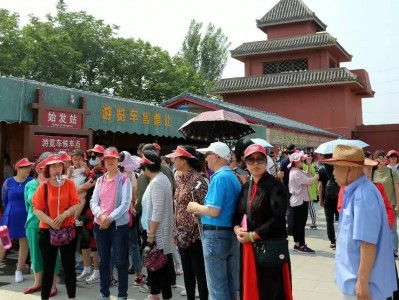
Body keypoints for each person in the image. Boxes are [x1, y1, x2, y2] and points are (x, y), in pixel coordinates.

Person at [321, 145, 397, 299]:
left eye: (336, 167)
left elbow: (368, 243)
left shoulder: (363, 195)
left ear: (349, 168)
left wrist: (362, 282)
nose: (333, 173)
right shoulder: (356, 191)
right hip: (354, 282)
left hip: (362, 287)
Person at [233, 144, 292, 300]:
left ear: (266, 162)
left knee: (271, 292)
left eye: (260, 159)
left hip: (269, 248)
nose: (256, 164)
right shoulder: (246, 187)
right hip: (248, 249)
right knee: (252, 289)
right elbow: (237, 215)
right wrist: (237, 229)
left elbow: (278, 219)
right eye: (251, 160)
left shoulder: (276, 186)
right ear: (245, 163)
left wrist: (253, 235)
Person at [187, 142, 241, 300]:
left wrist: (195, 206)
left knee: (217, 287)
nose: (206, 159)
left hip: (216, 236)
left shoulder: (218, 178)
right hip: (229, 234)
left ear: (216, 157)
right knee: (231, 284)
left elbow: (213, 210)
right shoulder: (232, 177)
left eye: (208, 155)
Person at [33, 154, 80, 300]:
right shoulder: (43, 187)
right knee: (48, 267)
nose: (56, 168)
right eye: (53, 166)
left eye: (59, 165)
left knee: (69, 267)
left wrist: (65, 214)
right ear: (47, 169)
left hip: (67, 230)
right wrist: (50, 221)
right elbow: (37, 209)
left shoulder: (69, 184)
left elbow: (76, 203)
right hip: (47, 231)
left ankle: (71, 297)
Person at [166, 146, 209, 300]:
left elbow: (206, 206)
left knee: (199, 271)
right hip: (181, 233)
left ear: (184, 160)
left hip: (195, 234)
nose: (173, 160)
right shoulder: (177, 176)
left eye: (175, 158)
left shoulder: (199, 180)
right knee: (187, 270)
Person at [90, 147, 132, 300]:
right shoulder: (100, 180)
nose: (110, 161)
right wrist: (101, 216)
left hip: (117, 226)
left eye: (113, 158)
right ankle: (104, 293)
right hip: (100, 224)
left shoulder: (124, 180)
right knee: (104, 260)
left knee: (120, 260)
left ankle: (122, 294)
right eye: (107, 159)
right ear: (103, 160)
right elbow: (93, 201)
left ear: (118, 160)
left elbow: (125, 204)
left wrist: (110, 218)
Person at [140, 150, 175, 300]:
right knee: (162, 265)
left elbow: (157, 211)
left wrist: (151, 235)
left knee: (154, 264)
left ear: (146, 167)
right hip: (159, 231)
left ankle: (155, 295)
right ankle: (163, 295)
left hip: (157, 232)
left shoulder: (157, 183)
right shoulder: (161, 179)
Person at [24, 155, 58, 296]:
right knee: (36, 255)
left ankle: (52, 285)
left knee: (53, 256)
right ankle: (38, 282)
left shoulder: (57, 184)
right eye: (42, 169)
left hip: (52, 224)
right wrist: (42, 184)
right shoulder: (31, 185)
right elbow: (32, 202)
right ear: (37, 170)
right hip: (34, 224)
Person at [75, 144, 106, 285]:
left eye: (95, 155)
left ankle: (97, 271)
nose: (92, 158)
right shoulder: (93, 170)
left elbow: (88, 185)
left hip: (94, 211)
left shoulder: (101, 171)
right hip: (84, 210)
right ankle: (87, 268)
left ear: (101, 157)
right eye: (91, 155)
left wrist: (72, 190)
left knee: (94, 242)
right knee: (84, 240)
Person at [1, 157, 34, 282]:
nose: (28, 169)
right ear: (17, 168)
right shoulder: (8, 182)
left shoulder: (31, 181)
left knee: (24, 242)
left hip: (26, 215)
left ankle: (19, 270)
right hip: (9, 215)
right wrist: (10, 209)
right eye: (25, 167)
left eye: (29, 167)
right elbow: (4, 199)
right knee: (3, 243)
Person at [288, 151, 319, 254]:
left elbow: (307, 175)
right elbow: (309, 181)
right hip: (300, 202)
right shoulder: (296, 173)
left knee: (298, 225)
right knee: (300, 225)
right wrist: (317, 176)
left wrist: (309, 164)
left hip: (297, 201)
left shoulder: (295, 171)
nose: (303, 161)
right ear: (296, 162)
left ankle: (297, 244)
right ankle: (301, 245)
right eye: (301, 160)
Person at [372, 150, 399, 259]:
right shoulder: (373, 172)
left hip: (391, 203)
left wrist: (398, 203)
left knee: (392, 228)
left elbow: (397, 188)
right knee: (379, 227)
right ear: (375, 159)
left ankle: (393, 250)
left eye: (384, 156)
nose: (383, 158)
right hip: (377, 204)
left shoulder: (392, 172)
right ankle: (382, 248)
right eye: (380, 157)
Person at [318, 154, 339, 249]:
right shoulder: (337, 169)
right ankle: (342, 238)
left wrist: (320, 199)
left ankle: (332, 241)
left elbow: (320, 186)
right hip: (339, 198)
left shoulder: (322, 170)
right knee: (342, 220)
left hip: (327, 199)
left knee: (329, 221)